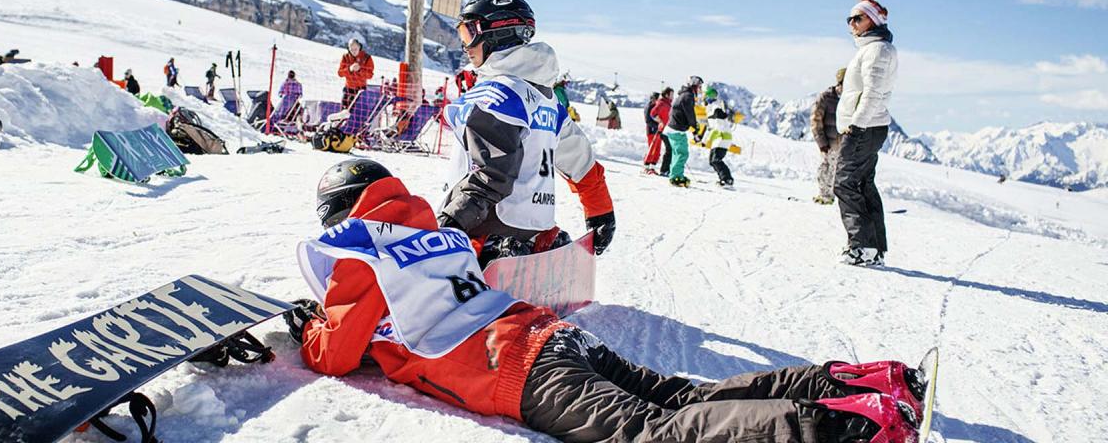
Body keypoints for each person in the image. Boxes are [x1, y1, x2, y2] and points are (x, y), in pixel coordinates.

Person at [287, 159, 927, 443]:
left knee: (651, 434)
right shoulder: (437, 234)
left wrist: (312, 327)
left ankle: (849, 428)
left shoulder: (360, 252)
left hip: (516, 369)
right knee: (683, 397)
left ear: (340, 211)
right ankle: (860, 383)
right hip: (550, 338)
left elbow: (337, 352)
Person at [440, 0, 615, 261]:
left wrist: (450, 222)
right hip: (532, 231)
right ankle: (543, 248)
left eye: (468, 33)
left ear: (498, 34)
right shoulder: (546, 100)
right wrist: (600, 210)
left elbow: (492, 173)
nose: (465, 46)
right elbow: (580, 159)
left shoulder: (497, 95)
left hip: (484, 228)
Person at [835, 0, 899, 267]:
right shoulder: (872, 49)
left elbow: (872, 93)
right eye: (849, 19)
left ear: (871, 21)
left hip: (864, 127)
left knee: (845, 182)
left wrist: (856, 125)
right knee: (861, 184)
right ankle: (872, 249)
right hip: (870, 126)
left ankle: (861, 248)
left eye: (857, 18)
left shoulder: (877, 51)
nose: (851, 23)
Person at [811, 69, 846, 205]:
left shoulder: (850, 99)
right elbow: (815, 120)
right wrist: (821, 142)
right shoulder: (826, 97)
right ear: (840, 83)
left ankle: (839, 199)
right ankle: (825, 195)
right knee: (826, 168)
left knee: (840, 172)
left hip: (844, 144)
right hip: (829, 143)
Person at [664, 77, 703, 187]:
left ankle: (675, 175)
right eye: (699, 87)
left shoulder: (683, 95)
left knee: (678, 153)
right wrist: (695, 129)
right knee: (682, 153)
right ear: (694, 86)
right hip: (676, 129)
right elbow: (690, 114)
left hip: (674, 128)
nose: (700, 90)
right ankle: (676, 177)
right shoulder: (688, 96)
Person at [702, 85, 735, 187]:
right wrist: (705, 139)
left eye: (705, 96)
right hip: (719, 138)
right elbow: (711, 127)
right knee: (712, 161)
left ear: (709, 97)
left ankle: (727, 179)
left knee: (716, 160)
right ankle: (724, 178)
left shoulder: (716, 108)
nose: (704, 99)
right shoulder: (711, 109)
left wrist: (708, 139)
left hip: (722, 137)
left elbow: (718, 127)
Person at [337, 38, 374, 108]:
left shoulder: (367, 58)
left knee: (354, 111)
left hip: (360, 90)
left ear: (359, 47)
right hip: (348, 88)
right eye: (351, 49)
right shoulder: (345, 57)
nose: (353, 52)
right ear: (348, 49)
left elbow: (370, 75)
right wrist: (349, 69)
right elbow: (340, 73)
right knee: (343, 110)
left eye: (355, 49)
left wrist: (360, 70)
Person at [647, 88, 674, 176]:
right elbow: (652, 113)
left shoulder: (668, 104)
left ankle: (664, 169)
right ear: (666, 95)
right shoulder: (662, 103)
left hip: (668, 130)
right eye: (671, 94)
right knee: (666, 149)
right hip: (662, 130)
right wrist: (660, 122)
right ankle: (662, 170)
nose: (673, 97)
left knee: (667, 149)